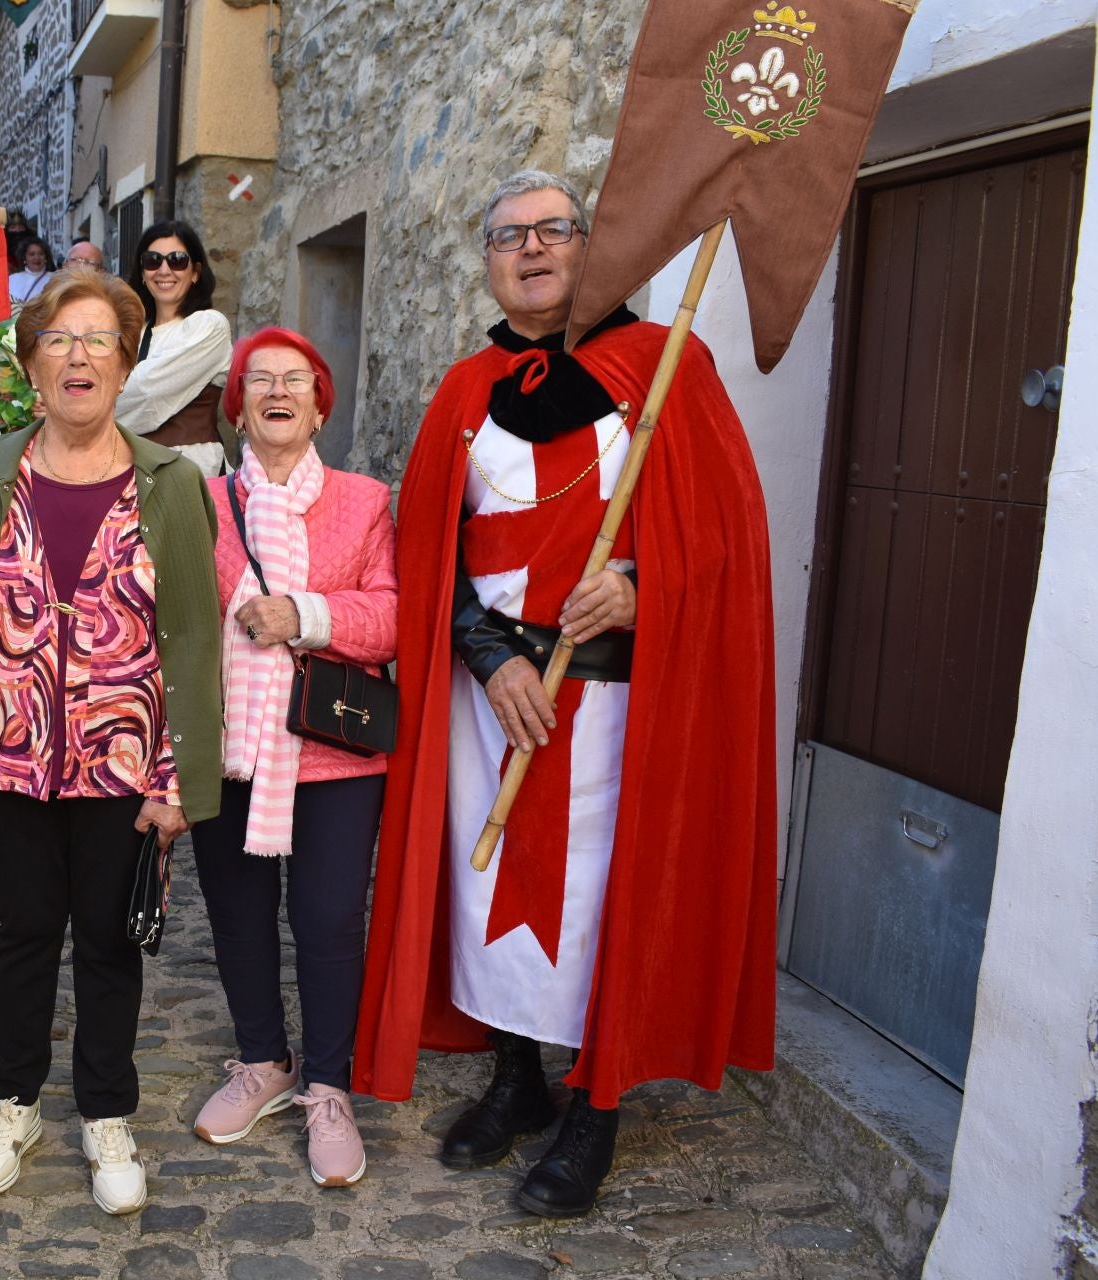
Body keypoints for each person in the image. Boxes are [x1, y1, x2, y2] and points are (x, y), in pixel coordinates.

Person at [353, 169, 777, 1217]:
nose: (532, 250)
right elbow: (430, 554)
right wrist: (487, 656)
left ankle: (594, 1104)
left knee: (593, 898)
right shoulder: (463, 390)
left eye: (554, 230)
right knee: (486, 880)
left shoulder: (667, 368)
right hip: (491, 692)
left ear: (590, 247)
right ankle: (515, 1076)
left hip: (612, 705)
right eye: (509, 236)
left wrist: (639, 587)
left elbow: (723, 544)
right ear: (487, 259)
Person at [0, 270, 223, 1216]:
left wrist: (176, 779)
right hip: (9, 759)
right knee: (22, 933)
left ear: (128, 364)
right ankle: (14, 1102)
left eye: (100, 339)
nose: (79, 355)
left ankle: (106, 1112)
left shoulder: (172, 482)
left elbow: (195, 642)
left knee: (109, 943)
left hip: (122, 766)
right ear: (31, 364)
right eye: (59, 337)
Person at [189, 326, 398, 1188]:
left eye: (297, 381)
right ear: (237, 405)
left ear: (319, 406)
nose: (278, 391)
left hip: (333, 749)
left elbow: (390, 619)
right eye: (259, 380)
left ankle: (328, 1087)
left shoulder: (365, 500)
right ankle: (263, 1062)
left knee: (328, 919)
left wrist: (305, 616)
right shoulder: (197, 500)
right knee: (236, 916)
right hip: (227, 746)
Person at [115, 220, 232, 477]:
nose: (164, 270)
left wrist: (81, 410)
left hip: (185, 468)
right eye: (153, 260)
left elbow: (148, 391)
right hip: (126, 466)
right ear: (143, 273)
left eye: (177, 260)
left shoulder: (208, 326)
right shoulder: (132, 331)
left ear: (195, 272)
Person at [6, 238, 54, 308]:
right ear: (24, 258)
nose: (37, 258)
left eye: (41, 254)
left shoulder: (54, 278)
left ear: (46, 258)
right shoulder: (12, 279)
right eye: (32, 254)